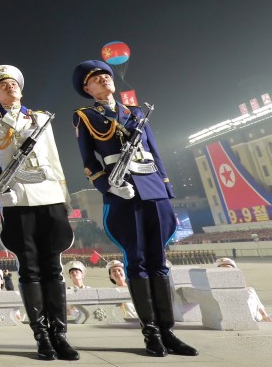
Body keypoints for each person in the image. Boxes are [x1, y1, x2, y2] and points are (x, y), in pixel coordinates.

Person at [73, 60, 197, 358]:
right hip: (123, 191)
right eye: (96, 79)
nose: (104, 80)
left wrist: (166, 189)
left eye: (106, 75)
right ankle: (151, 332)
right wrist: (108, 187)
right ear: (87, 89)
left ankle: (168, 330)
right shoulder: (85, 116)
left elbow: (154, 150)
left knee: (159, 260)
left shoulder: (136, 113)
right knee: (137, 261)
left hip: (153, 188)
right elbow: (89, 161)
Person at [0, 64, 78, 360]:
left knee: (53, 267)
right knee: (29, 269)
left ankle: (60, 334)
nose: (11, 88)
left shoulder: (42, 119)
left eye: (14, 84)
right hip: (17, 201)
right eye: (3, 85)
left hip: (48, 196)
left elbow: (55, 160)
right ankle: (41, 336)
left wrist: (64, 198)